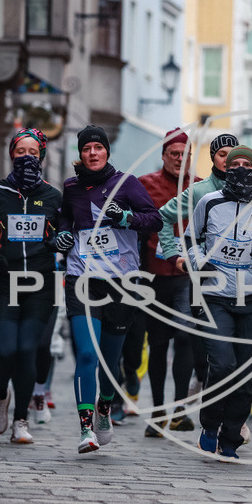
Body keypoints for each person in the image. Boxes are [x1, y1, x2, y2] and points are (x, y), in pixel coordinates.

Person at [55, 125, 162, 453]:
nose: (92, 153)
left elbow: (155, 220)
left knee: (110, 362)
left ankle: (105, 406)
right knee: (87, 354)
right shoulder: (71, 188)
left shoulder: (127, 184)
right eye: (87, 148)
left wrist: (127, 218)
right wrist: (60, 237)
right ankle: (85, 428)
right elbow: (63, 222)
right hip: (82, 278)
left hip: (122, 282)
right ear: (81, 153)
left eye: (98, 148)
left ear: (106, 152)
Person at [184, 145, 252, 459]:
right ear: (226, 169)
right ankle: (210, 423)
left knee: (245, 371)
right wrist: (200, 261)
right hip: (216, 298)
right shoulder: (209, 202)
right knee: (224, 365)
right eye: (235, 164)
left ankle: (231, 437)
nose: (241, 169)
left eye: (247, 164)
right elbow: (190, 238)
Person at [0, 128, 61, 444]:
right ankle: (0, 396)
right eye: (21, 152)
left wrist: (57, 241)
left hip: (40, 283)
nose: (27, 157)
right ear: (12, 154)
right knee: (4, 348)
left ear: (42, 157)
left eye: (33, 153)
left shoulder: (53, 196)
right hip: (5, 281)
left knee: (28, 351)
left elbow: (63, 236)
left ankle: (21, 420)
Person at [158, 133, 240, 390]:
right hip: (205, 279)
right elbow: (162, 217)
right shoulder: (200, 191)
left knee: (236, 347)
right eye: (222, 154)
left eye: (233, 154)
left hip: (242, 283)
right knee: (205, 341)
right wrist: (174, 255)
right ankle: (202, 387)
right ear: (213, 158)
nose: (228, 160)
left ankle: (229, 402)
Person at [138, 128, 202, 436]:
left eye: (184, 154)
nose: (178, 159)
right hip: (153, 275)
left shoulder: (202, 189)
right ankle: (159, 411)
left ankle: (179, 408)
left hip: (187, 278)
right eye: (173, 154)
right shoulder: (144, 186)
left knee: (186, 336)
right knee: (158, 344)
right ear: (164, 155)